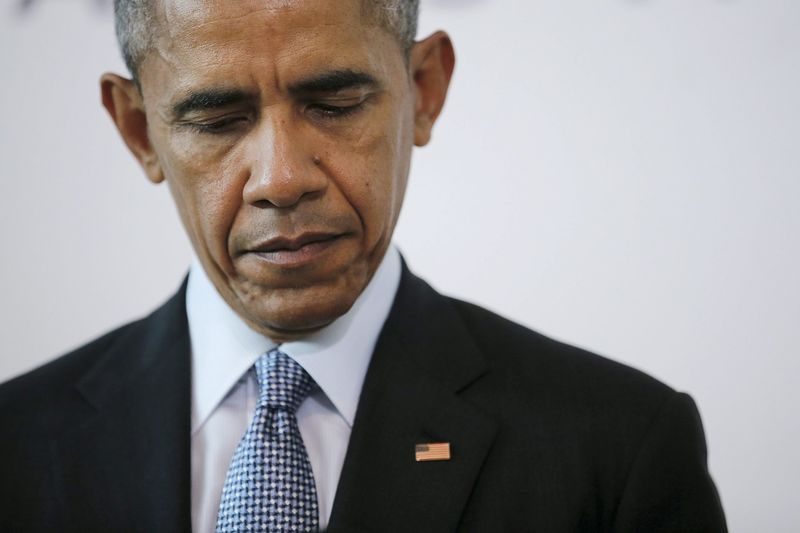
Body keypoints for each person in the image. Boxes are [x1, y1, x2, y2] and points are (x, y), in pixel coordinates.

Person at [0, 0, 727, 531]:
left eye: (336, 103)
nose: (281, 178)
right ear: (138, 130)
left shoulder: (618, 448)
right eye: (217, 120)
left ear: (424, 87)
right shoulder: (17, 447)